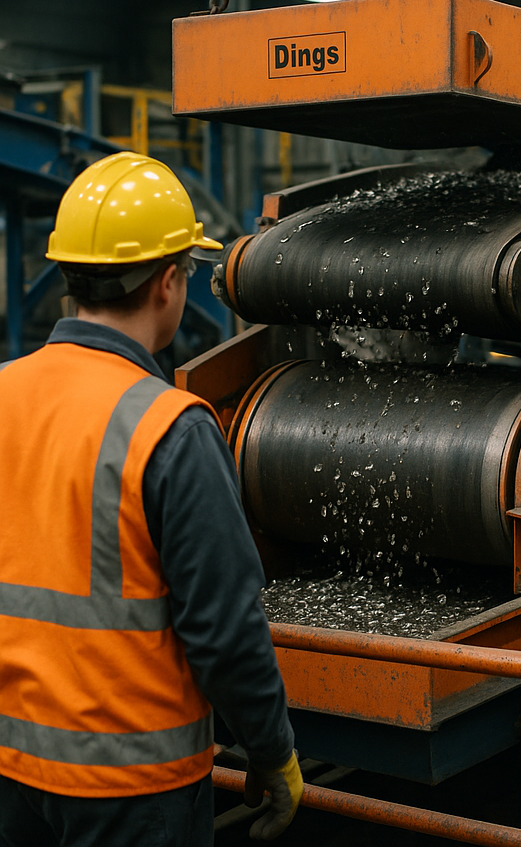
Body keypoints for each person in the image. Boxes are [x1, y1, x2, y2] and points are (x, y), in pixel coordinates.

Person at [0, 152, 302, 846]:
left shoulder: (4, 393)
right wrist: (272, 751)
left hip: (14, 775)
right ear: (168, 282)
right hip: (133, 791)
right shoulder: (170, 427)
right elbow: (224, 634)